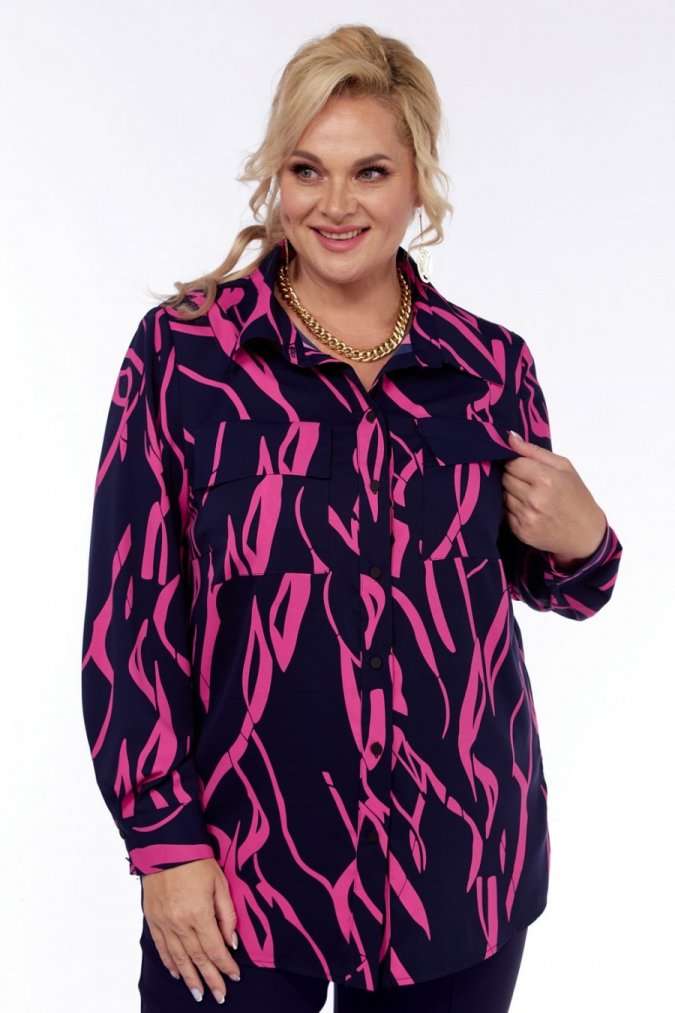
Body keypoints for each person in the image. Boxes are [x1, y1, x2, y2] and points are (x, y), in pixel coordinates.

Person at [80, 23, 624, 1013]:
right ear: (275, 178)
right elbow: (129, 620)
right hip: (241, 875)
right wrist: (163, 840)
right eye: (307, 170)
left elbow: (559, 587)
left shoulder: (489, 367)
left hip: (458, 871)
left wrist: (586, 537)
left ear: (417, 183)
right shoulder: (185, 356)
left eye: (369, 171)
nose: (335, 205)